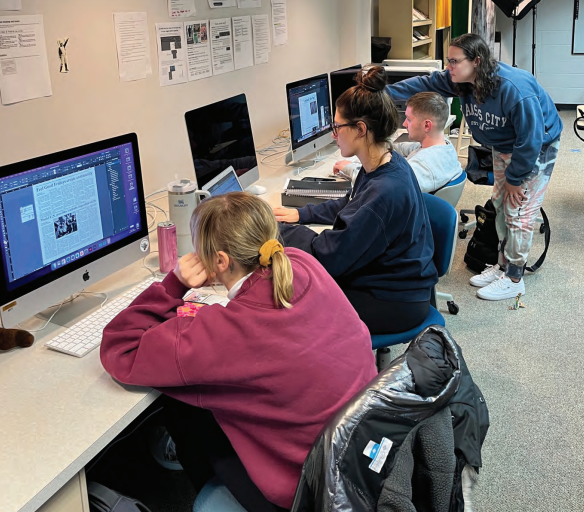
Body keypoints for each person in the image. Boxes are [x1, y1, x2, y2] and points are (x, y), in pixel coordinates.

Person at [100, 192, 377, 512]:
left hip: (306, 492)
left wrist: (174, 284)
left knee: (182, 405)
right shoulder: (303, 264)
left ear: (219, 261)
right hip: (357, 455)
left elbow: (122, 347)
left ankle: (205, 496)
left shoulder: (226, 333)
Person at [386, 33, 563, 301]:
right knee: (501, 203)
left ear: (476, 61)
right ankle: (503, 265)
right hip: (504, 144)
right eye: (448, 60)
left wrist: (517, 177)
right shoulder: (460, 80)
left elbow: (531, 138)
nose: (449, 67)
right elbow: (423, 83)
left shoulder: (515, 89)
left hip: (535, 147)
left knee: (520, 210)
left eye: (454, 61)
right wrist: (380, 92)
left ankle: (514, 278)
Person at [273, 66, 438, 335]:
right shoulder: (385, 161)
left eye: (337, 127)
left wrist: (277, 232)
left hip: (395, 301)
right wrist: (304, 215)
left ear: (360, 129)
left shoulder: (385, 190)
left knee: (294, 302)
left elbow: (329, 257)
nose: (333, 134)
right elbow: (353, 204)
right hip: (400, 282)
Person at [334, 91, 462, 194]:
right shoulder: (443, 147)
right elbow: (400, 148)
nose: (404, 123)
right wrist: (373, 145)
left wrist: (348, 168)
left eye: (409, 119)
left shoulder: (423, 166)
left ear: (427, 125)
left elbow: (383, 187)